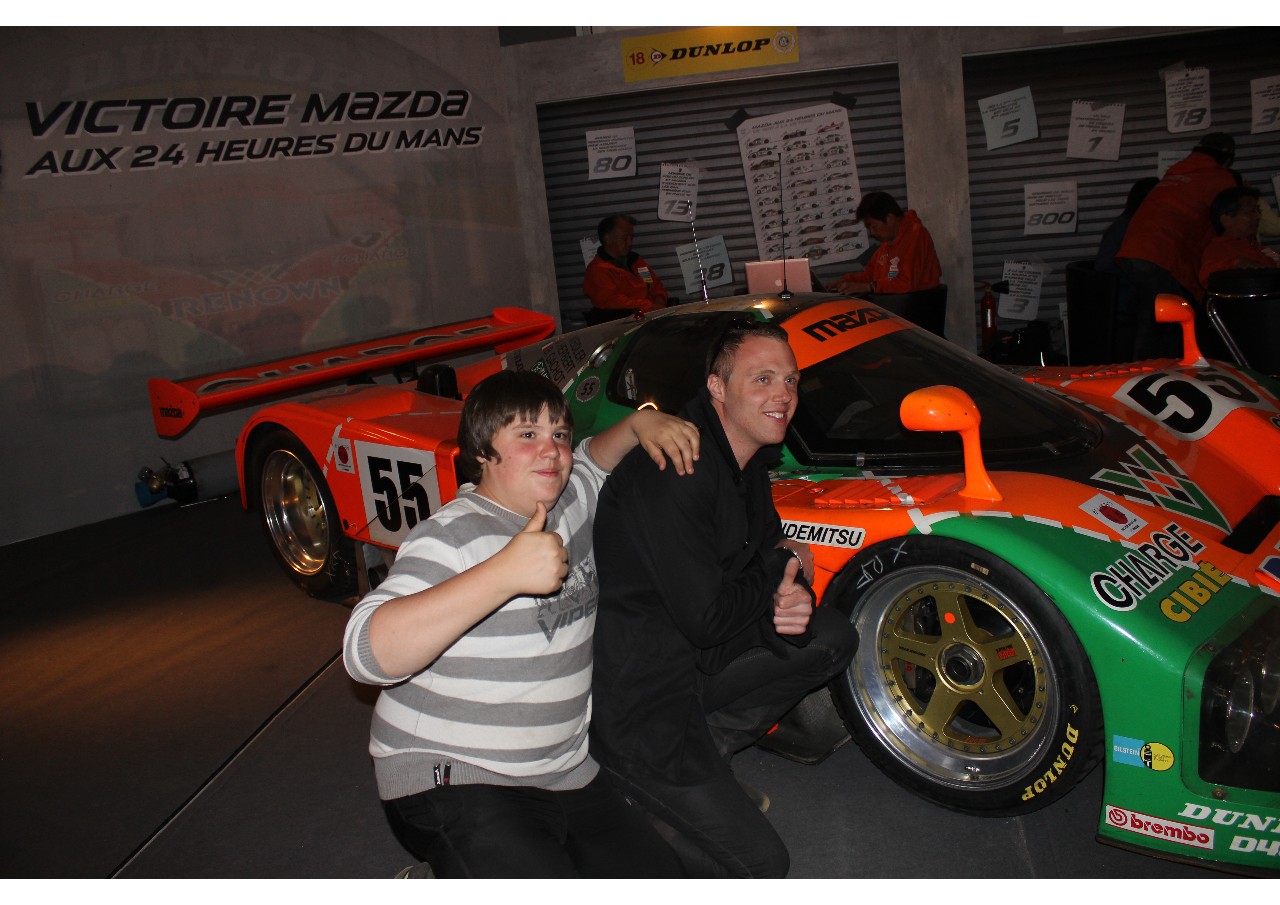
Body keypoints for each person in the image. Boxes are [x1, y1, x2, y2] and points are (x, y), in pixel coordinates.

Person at [343, 369, 700, 878]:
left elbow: (596, 458)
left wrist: (642, 424)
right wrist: (503, 574)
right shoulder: (450, 536)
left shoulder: (569, 500)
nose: (551, 450)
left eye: (559, 434)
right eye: (527, 434)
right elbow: (364, 652)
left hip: (563, 770)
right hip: (451, 773)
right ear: (483, 452)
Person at [590, 319, 860, 878]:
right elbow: (713, 614)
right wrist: (782, 566)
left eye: (790, 380)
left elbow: (769, 549)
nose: (783, 394)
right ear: (717, 386)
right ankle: (619, 805)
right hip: (644, 703)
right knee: (760, 866)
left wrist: (791, 593)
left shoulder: (745, 455)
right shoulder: (680, 467)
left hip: (697, 664)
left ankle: (708, 753)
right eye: (763, 379)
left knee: (830, 636)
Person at [1115, 132, 1240, 357]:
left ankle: (1147, 366)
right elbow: (1225, 222)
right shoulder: (1220, 179)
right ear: (1227, 160)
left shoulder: (1177, 172)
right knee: (1174, 319)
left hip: (1134, 252)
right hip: (1158, 256)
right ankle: (1163, 368)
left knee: (1154, 315)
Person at [831, 191, 941, 295]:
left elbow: (907, 283)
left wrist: (870, 287)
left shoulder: (915, 235)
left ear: (890, 218)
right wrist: (846, 281)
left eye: (873, 226)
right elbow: (870, 275)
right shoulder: (887, 242)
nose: (872, 232)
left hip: (914, 305)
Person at [583, 213, 669, 313]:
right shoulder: (597, 270)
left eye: (631, 238)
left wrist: (660, 300)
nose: (630, 243)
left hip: (650, 315)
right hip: (628, 320)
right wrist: (650, 307)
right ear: (607, 239)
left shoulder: (637, 262)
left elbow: (655, 286)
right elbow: (611, 301)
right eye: (624, 238)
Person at [1199, 186, 1280, 286]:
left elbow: (1274, 257)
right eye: (1250, 211)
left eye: (1258, 210)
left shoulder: (1255, 246)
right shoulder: (1220, 248)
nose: (1258, 216)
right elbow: (1207, 275)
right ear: (1226, 219)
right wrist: (1236, 263)